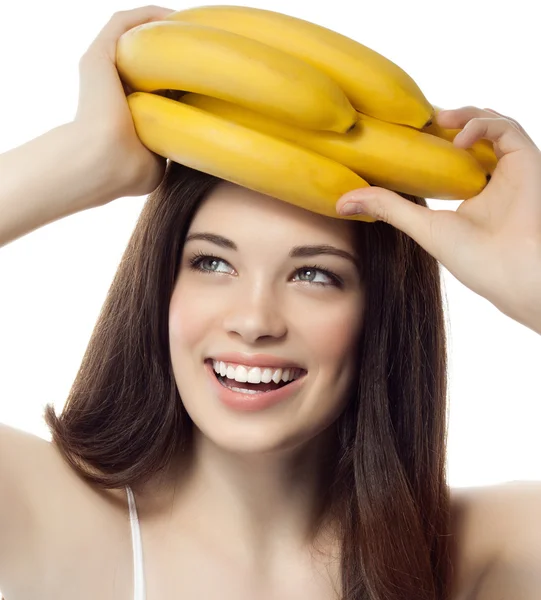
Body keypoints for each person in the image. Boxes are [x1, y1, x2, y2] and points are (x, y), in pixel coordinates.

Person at [1, 6, 540, 600]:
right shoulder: (39, 514)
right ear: (160, 285)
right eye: (212, 263)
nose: (255, 321)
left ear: (379, 313)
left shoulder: (486, 555)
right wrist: (79, 158)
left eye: (313, 274)